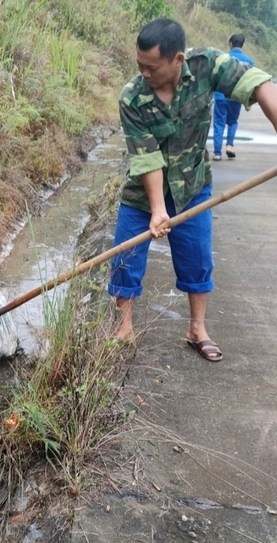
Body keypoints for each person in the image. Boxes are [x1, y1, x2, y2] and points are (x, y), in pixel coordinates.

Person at [109, 18, 277, 362]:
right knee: (125, 259)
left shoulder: (208, 65)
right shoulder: (133, 97)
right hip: (143, 194)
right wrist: (157, 208)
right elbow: (146, 157)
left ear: (178, 59)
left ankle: (196, 329)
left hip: (192, 186)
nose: (144, 73)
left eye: (151, 67)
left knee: (198, 259)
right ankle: (123, 327)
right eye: (140, 65)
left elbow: (258, 83)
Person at [212, 34, 254, 160]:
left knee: (219, 123)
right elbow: (250, 81)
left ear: (230, 44)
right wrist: (248, 101)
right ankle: (230, 145)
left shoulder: (223, 58)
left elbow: (215, 77)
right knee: (232, 122)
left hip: (220, 96)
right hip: (236, 96)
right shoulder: (249, 61)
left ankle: (217, 153)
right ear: (242, 44)